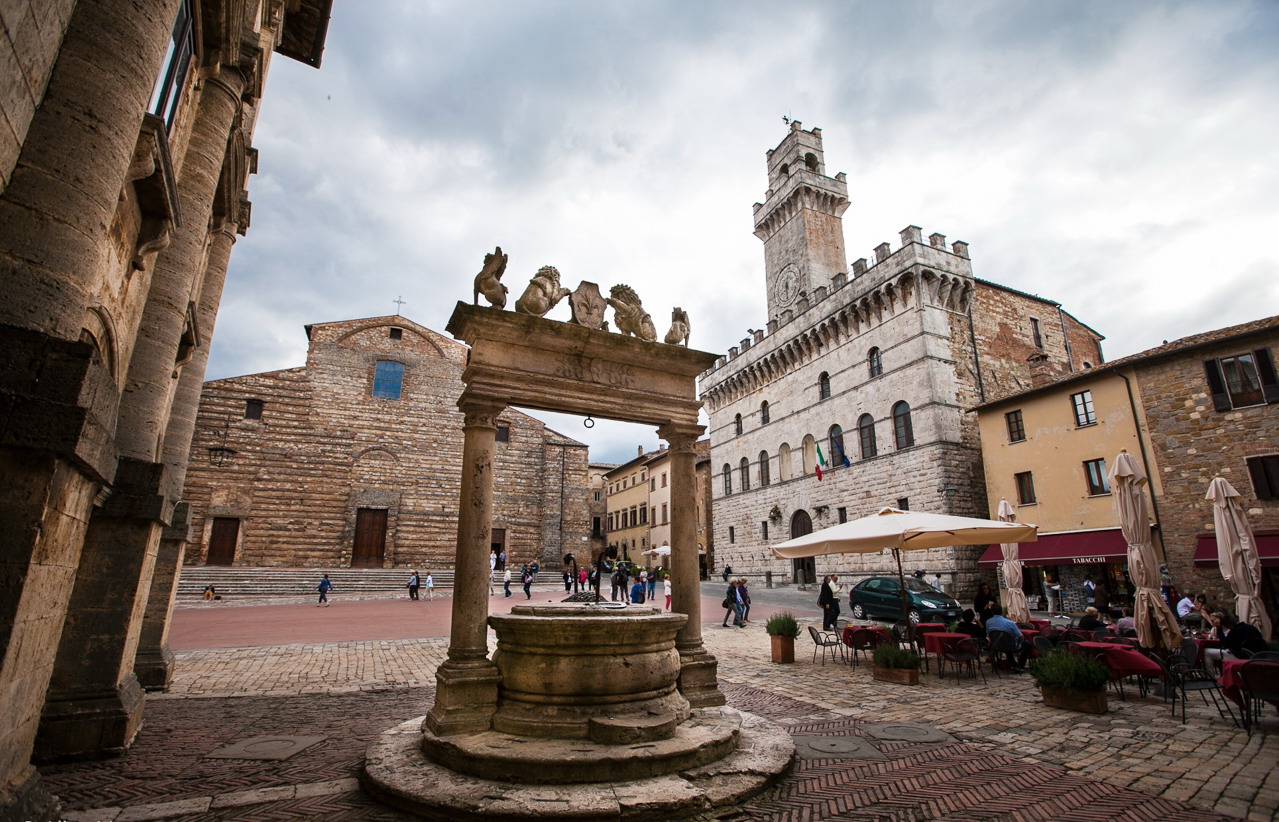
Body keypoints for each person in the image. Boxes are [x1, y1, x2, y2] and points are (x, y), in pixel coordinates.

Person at [984, 605, 1032, 671]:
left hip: (997, 646)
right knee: (1027, 644)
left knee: (1006, 641)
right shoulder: (1009, 623)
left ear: (992, 611)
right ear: (1002, 611)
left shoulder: (988, 622)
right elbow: (1021, 637)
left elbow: (988, 634)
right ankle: (1020, 665)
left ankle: (1014, 664)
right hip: (1011, 645)